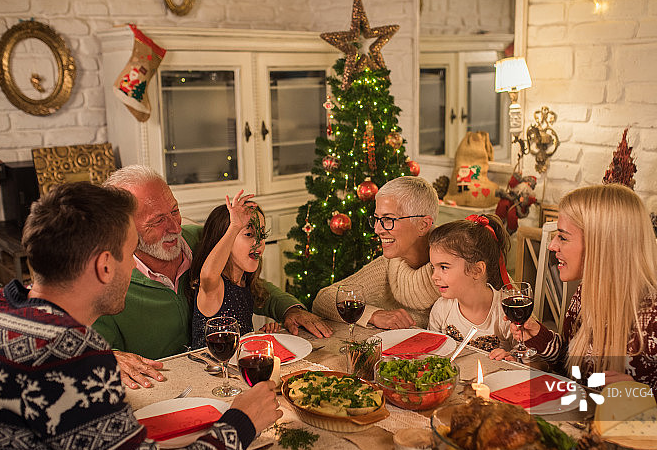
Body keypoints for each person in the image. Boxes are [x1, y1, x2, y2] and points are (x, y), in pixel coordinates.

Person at [0, 182, 282, 450]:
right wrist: (241, 423)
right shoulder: (70, 357)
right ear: (105, 266)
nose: (136, 267)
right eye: (131, 255)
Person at [491, 184, 657, 422]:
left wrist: (646, 396)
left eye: (563, 237)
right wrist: (540, 336)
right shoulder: (586, 294)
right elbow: (576, 369)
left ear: (601, 245)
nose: (553, 245)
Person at [93, 165, 331, 389]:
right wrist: (107, 357)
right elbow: (84, 348)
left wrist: (291, 309)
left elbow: (250, 285)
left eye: (174, 211)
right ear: (123, 227)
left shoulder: (202, 239)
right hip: (165, 388)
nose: (175, 227)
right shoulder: (105, 281)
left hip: (224, 376)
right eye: (158, 221)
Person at [313, 176, 440, 329]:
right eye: (376, 219)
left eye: (388, 219)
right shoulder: (391, 265)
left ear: (423, 225)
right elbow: (323, 299)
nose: (377, 230)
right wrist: (373, 315)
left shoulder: (456, 266)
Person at [190, 191, 281, 347]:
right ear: (224, 240)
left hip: (235, 367)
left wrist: (259, 336)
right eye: (249, 234)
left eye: (262, 234)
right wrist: (235, 226)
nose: (258, 243)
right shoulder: (215, 286)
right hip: (206, 369)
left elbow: (241, 342)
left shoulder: (244, 282)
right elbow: (208, 275)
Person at [427, 214, 516, 353]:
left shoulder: (505, 313)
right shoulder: (441, 309)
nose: (434, 276)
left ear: (477, 270)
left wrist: (512, 356)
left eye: (443, 267)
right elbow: (431, 352)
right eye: (433, 267)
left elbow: (534, 362)